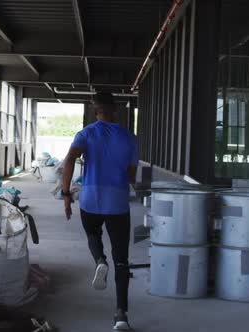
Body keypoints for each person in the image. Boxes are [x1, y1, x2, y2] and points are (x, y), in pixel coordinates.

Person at [61, 92, 138, 331]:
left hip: (90, 199)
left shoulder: (86, 134)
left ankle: (99, 260)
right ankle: (121, 315)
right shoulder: (129, 138)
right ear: (115, 110)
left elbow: (69, 160)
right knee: (122, 259)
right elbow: (131, 175)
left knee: (93, 234)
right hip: (117, 202)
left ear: (96, 111)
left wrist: (66, 195)